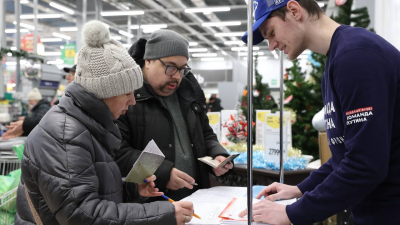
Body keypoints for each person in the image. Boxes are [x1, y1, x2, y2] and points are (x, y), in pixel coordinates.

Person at [16, 20, 193, 225]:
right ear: (104, 92)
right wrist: (163, 213)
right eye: (127, 93)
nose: (133, 101)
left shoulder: (90, 126)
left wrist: (131, 189)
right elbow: (81, 214)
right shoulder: (64, 135)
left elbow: (92, 190)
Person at [238, 0, 400, 224]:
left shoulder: (356, 57)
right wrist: (299, 189)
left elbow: (365, 166)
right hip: (371, 210)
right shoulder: (335, 63)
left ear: (294, 11)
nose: (272, 46)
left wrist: (292, 213)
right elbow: (345, 155)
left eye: (272, 32)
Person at [116, 30, 233, 201]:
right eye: (170, 67)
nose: (177, 76)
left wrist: (217, 154)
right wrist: (163, 172)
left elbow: (205, 133)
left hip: (196, 197)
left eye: (182, 68)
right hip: (153, 204)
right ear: (148, 61)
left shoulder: (189, 92)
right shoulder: (127, 96)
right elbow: (119, 151)